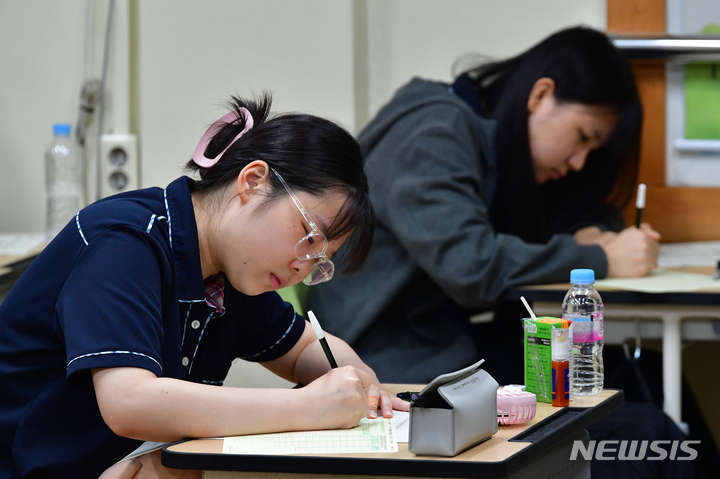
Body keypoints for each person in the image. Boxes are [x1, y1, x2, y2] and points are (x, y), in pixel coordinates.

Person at [0, 94, 408, 478]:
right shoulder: (126, 243)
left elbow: (303, 349)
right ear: (253, 182)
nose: (303, 267)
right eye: (308, 237)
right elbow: (129, 402)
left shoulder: (234, 274)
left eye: (320, 262)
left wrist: (362, 382)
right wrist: (307, 407)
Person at [307, 26, 661, 384]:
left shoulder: (492, 146)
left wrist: (591, 232)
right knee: (638, 409)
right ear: (541, 95)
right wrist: (601, 259)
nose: (579, 162)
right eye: (583, 137)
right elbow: (472, 268)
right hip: (383, 363)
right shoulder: (434, 134)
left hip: (438, 344)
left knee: (642, 373)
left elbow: (575, 212)